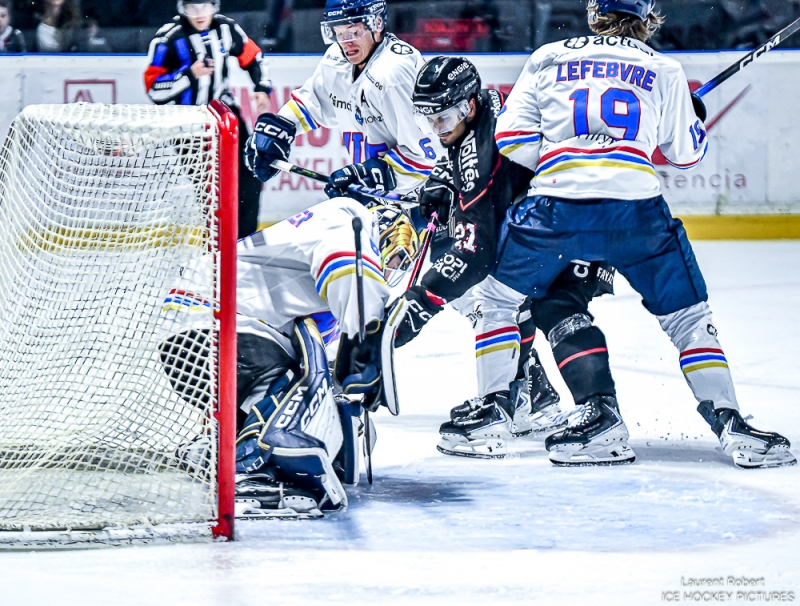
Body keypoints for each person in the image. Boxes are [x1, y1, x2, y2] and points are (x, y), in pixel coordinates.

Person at [484, 0, 795, 468]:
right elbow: (686, 153)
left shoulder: (548, 55)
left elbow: (511, 141)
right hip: (636, 213)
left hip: (554, 210)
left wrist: (567, 156)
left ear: (593, 15)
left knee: (498, 301)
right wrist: (692, 115)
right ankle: (731, 424)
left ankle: (494, 413)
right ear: (648, 19)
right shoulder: (663, 67)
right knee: (689, 318)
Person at [393, 57, 623, 463]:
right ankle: (528, 396)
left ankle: (519, 406)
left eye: (443, 116)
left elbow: (475, 250)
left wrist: (423, 297)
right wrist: (439, 185)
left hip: (577, 221)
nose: (436, 127)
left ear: (467, 106)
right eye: (429, 118)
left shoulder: (485, 144)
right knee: (518, 300)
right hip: (568, 220)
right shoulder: (489, 110)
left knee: (526, 301)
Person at [160, 197, 420, 517]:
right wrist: (368, 332)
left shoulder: (310, 264)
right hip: (217, 324)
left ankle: (219, 445)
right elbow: (349, 279)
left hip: (193, 329)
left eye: (402, 265)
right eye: (395, 256)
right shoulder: (351, 218)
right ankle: (250, 471)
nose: (394, 268)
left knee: (299, 377)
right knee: (298, 381)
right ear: (382, 233)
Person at [244, 0, 441, 204]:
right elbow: (312, 104)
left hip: (420, 203)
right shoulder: (336, 59)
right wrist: (278, 131)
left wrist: (370, 176)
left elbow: (425, 157)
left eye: (353, 32)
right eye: (338, 33)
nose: (346, 42)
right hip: (378, 202)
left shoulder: (393, 74)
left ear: (378, 23)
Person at [144, 0, 273, 239]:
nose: (200, 14)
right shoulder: (168, 38)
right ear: (182, 9)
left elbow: (253, 56)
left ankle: (244, 242)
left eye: (204, 6)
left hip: (225, 117)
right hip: (187, 124)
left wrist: (261, 87)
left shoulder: (226, 29)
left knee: (250, 177)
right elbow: (154, 89)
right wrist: (189, 74)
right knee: (213, 190)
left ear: (215, 6)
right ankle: (218, 247)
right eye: (193, 8)